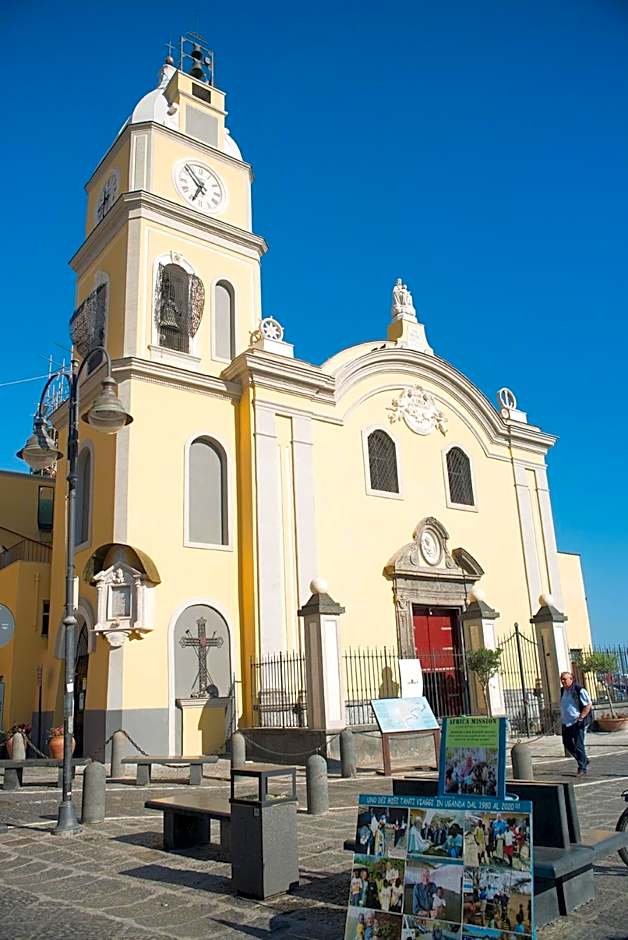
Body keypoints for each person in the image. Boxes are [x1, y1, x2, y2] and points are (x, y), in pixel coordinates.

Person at [560, 671, 592, 775]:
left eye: (565, 679)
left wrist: (581, 717)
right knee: (567, 743)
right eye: (562, 679)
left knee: (579, 745)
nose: (563, 681)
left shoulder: (579, 690)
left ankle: (582, 767)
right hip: (566, 722)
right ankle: (583, 759)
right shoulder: (562, 690)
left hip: (577, 722)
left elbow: (588, 705)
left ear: (571, 679)